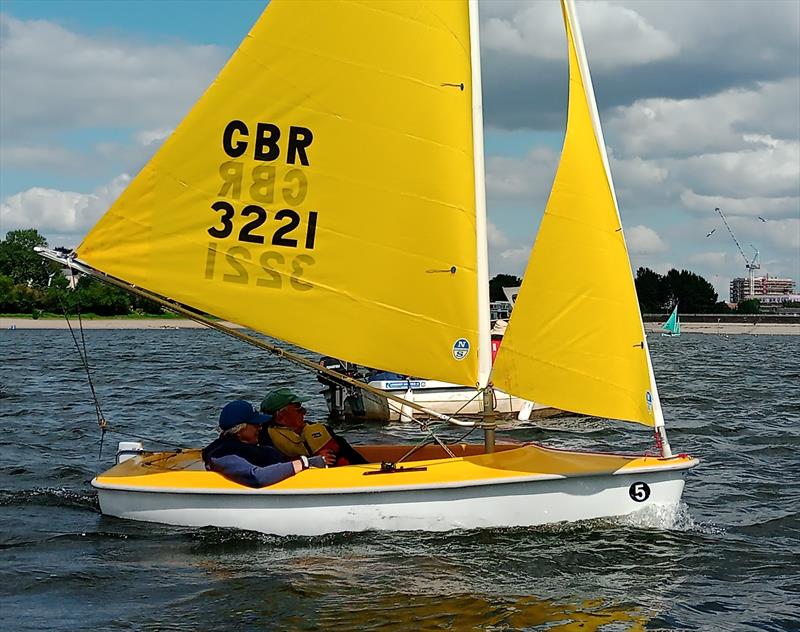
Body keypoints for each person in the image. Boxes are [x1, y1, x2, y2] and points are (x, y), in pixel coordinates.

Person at [202, 399, 326, 488]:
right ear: (240, 430)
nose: (260, 428)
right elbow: (257, 477)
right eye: (255, 424)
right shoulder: (222, 454)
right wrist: (304, 463)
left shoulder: (250, 448)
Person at [259, 388, 366, 466]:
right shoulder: (264, 437)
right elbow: (271, 466)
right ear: (280, 416)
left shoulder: (321, 429)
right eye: (298, 409)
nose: (304, 412)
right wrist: (312, 460)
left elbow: (354, 458)